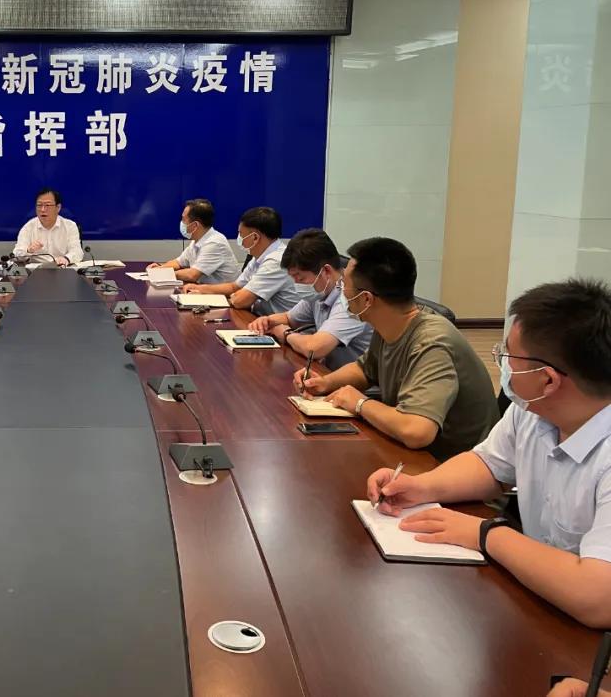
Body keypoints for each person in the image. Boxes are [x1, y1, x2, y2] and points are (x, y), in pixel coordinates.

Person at [367, 278, 611, 629]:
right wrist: (421, 486)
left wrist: (487, 534)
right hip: (538, 603)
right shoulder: (533, 410)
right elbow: (488, 464)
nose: (502, 363)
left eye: (509, 355)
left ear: (548, 380)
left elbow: (598, 598)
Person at [296, 236, 498, 461]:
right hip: (414, 455)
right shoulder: (389, 324)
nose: (342, 291)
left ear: (366, 299)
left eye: (345, 284)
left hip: (451, 466)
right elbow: (365, 370)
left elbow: (417, 431)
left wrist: (360, 403)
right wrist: (325, 383)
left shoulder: (431, 342)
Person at [249, 227, 372, 367]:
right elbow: (290, 318)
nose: (297, 284)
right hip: (328, 372)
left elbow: (314, 349)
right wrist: (267, 321)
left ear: (326, 271)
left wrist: (287, 334)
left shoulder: (352, 300)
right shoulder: (320, 292)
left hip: (355, 380)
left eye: (300, 278)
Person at [181, 206, 298, 312]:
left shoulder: (276, 261)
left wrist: (208, 298)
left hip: (279, 325)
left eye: (241, 234)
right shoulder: (260, 256)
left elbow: (240, 301)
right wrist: (200, 289)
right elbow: (235, 287)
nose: (239, 238)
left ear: (255, 237)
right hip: (260, 318)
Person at [147, 198, 240, 286]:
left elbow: (192, 275)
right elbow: (178, 262)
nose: (181, 223)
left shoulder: (214, 243)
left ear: (195, 225)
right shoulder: (197, 241)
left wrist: (165, 274)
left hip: (225, 295)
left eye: (183, 219)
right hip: (206, 290)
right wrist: (160, 269)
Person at [12, 188, 83, 266]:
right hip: (36, 270)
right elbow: (16, 253)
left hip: (62, 268)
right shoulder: (28, 227)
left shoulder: (70, 226)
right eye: (39, 205)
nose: (42, 209)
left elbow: (77, 252)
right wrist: (28, 250)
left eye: (47, 205)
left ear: (58, 207)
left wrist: (66, 258)